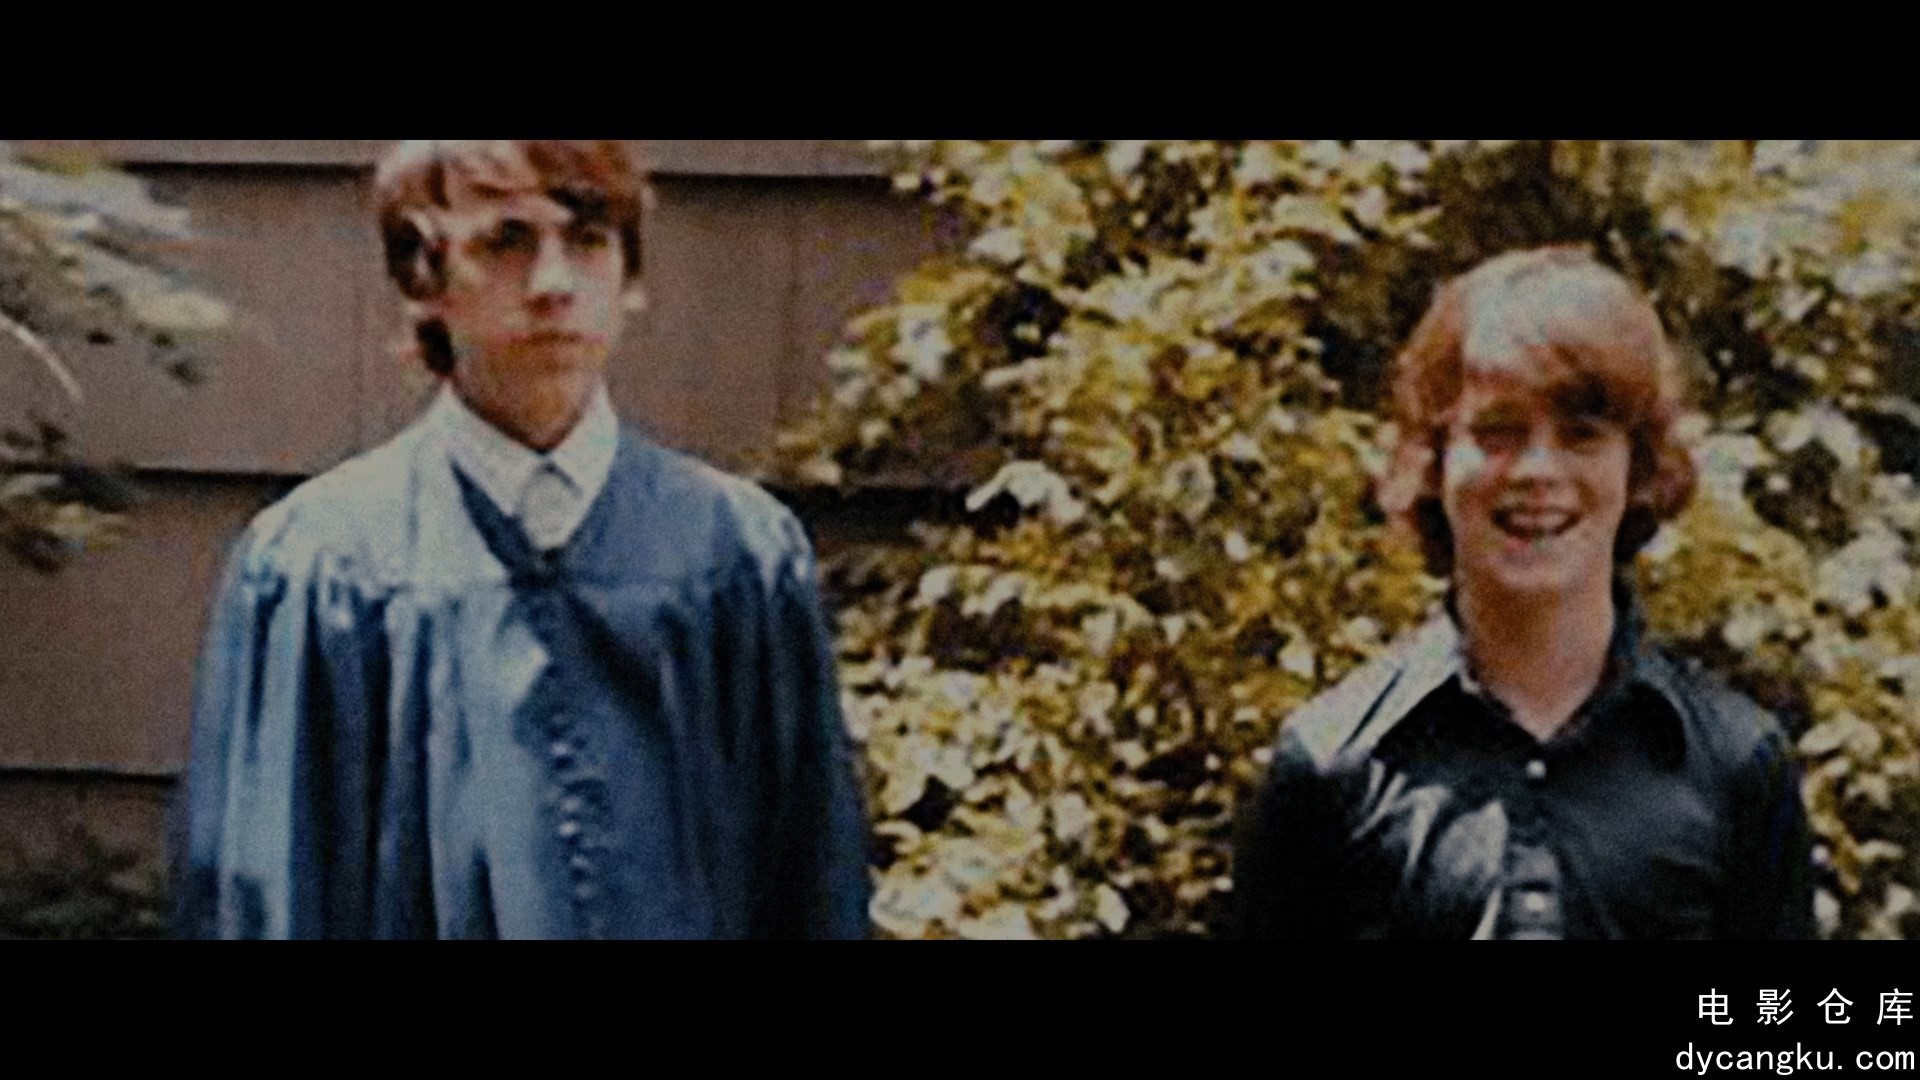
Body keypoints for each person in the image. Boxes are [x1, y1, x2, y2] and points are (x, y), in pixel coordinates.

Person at [177, 140, 871, 939]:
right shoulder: (321, 568)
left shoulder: (736, 555)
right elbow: (266, 905)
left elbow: (812, 892)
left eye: (587, 239)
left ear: (631, 277)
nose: (553, 283)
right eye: (506, 241)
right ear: (424, 277)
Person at [1228, 247, 1813, 939]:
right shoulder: (1332, 763)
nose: (1537, 470)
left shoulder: (1736, 766)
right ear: (1436, 461)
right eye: (1498, 432)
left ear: (1638, 468)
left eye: (1581, 435)